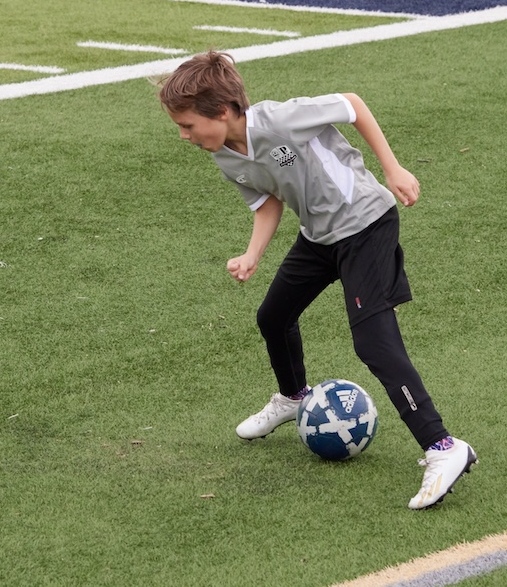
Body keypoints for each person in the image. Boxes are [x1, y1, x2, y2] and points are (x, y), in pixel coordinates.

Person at [157, 50, 475, 509]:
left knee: (373, 341)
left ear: (222, 112)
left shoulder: (281, 121)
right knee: (274, 316)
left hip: (366, 222)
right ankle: (293, 396)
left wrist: (393, 168)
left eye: (187, 124)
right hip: (321, 235)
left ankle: (443, 447)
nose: (184, 136)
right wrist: (252, 254)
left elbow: (352, 104)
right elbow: (268, 202)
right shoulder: (225, 155)